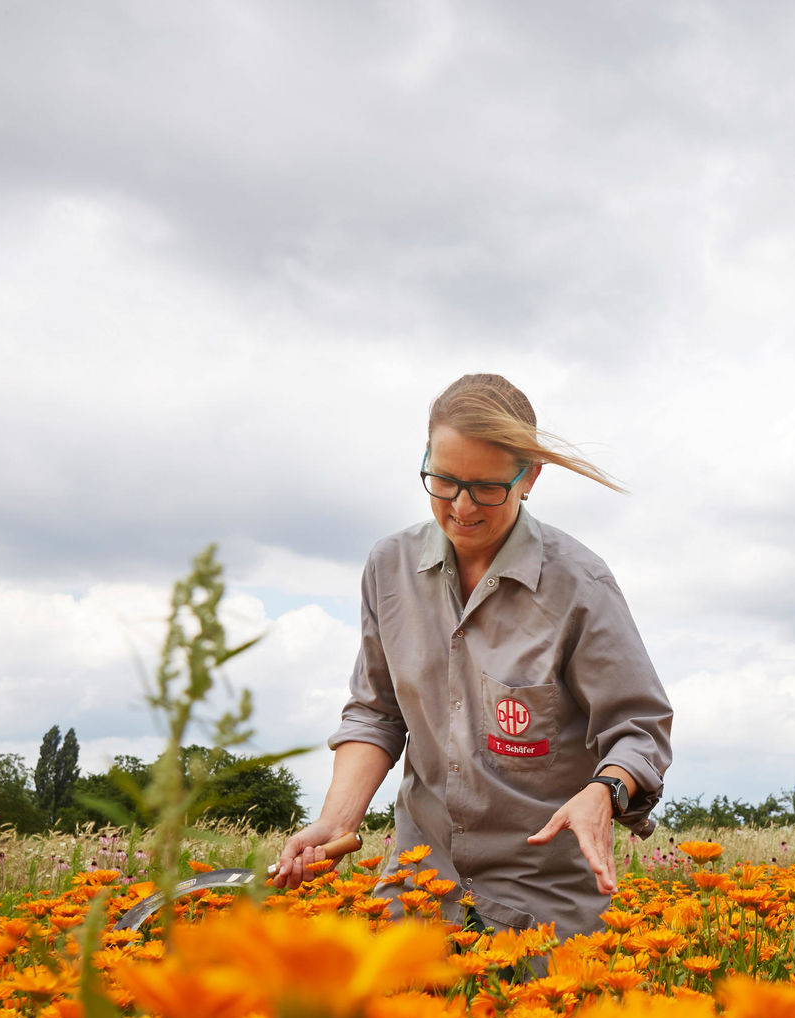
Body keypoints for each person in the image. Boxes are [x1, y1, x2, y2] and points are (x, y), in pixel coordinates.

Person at [273, 373, 673, 950]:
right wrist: (337, 822)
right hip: (421, 883)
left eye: (486, 488)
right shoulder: (389, 568)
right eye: (443, 481)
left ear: (530, 476)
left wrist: (603, 793)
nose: (461, 507)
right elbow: (377, 713)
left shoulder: (580, 584)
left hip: (545, 894)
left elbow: (638, 730)